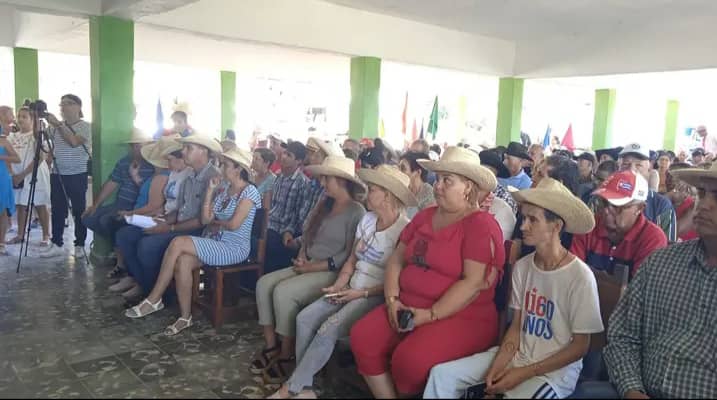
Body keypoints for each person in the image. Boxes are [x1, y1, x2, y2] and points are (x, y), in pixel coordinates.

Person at [424, 178, 602, 399]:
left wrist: (522, 373)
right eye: (524, 217)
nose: (523, 226)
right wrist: (495, 371)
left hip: (553, 375)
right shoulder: (523, 267)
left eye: (532, 220)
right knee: (442, 375)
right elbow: (517, 327)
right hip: (517, 355)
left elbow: (580, 347)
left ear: (556, 226)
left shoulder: (580, 277)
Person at [350, 147, 506, 397]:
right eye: (438, 179)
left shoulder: (481, 225)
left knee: (409, 361)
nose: (438, 186)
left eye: (448, 180)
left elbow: (473, 283)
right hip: (407, 305)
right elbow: (396, 260)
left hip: (462, 316)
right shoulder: (425, 216)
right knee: (362, 337)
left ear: (468, 187)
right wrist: (392, 301)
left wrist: (430, 315)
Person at [268, 165, 414, 399]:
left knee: (329, 328)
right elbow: (352, 259)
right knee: (304, 318)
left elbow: (398, 280)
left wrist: (360, 293)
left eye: (373, 189)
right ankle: (305, 386)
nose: (367, 194)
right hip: (351, 285)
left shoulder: (404, 229)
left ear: (387, 195)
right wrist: (340, 284)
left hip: (376, 294)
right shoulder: (367, 219)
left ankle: (290, 388)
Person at [602, 161, 717, 399]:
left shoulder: (653, 241)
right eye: (702, 194)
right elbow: (622, 335)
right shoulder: (662, 263)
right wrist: (632, 389)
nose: (704, 205)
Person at [252, 156, 366, 385]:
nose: (322, 183)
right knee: (264, 283)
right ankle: (272, 345)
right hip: (309, 263)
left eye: (327, 178)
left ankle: (287, 354)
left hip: (331, 272)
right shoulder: (325, 203)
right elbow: (308, 232)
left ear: (341, 181)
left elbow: (347, 254)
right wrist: (302, 251)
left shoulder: (357, 212)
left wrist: (313, 266)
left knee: (283, 292)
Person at [126, 148, 261, 335]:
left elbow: (234, 225)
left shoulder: (249, 192)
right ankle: (185, 317)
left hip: (233, 247)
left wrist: (216, 223)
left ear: (238, 169)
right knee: (183, 261)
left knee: (178, 243)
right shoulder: (224, 190)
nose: (221, 168)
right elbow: (205, 220)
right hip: (213, 242)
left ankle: (154, 298)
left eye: (226, 165)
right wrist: (210, 191)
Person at [115, 135, 221, 301]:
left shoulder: (214, 178)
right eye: (184, 148)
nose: (184, 152)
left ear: (203, 151)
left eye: (189, 148)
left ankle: (159, 294)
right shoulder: (191, 176)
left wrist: (169, 228)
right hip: (180, 225)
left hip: (199, 232)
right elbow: (179, 211)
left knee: (147, 245)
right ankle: (146, 285)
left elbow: (203, 220)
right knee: (126, 235)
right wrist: (164, 220)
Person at [109, 140, 175, 299]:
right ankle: (134, 278)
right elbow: (149, 196)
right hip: (149, 215)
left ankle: (143, 282)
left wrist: (131, 213)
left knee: (128, 236)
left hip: (153, 217)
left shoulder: (161, 177)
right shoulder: (159, 175)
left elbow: (154, 205)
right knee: (120, 230)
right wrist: (136, 177)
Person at [571, 170, 668, 278]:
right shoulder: (588, 226)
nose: (606, 210)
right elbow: (572, 274)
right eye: (603, 202)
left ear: (640, 208)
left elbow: (639, 289)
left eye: (617, 206)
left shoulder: (653, 238)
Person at [81, 129, 154, 256]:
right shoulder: (125, 161)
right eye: (135, 146)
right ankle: (117, 247)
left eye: (141, 146)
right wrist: (95, 205)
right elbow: (111, 183)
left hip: (138, 207)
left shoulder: (154, 165)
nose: (138, 149)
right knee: (88, 218)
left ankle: (119, 251)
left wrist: (135, 177)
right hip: (120, 203)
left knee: (106, 220)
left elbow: (151, 194)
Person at [40, 94, 92, 259]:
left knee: (78, 210)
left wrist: (58, 124)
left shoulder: (85, 126)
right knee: (58, 210)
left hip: (77, 174)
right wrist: (38, 119)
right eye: (62, 104)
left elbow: (73, 142)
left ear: (78, 107)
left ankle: (80, 244)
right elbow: (40, 139)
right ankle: (57, 243)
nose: (64, 107)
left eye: (69, 104)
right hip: (57, 173)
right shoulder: (54, 128)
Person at [6, 107, 51, 246]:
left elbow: (41, 157)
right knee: (21, 205)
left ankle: (46, 235)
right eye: (19, 116)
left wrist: (23, 174)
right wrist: (13, 174)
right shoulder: (12, 136)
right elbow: (8, 156)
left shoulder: (37, 136)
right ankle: (20, 235)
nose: (20, 119)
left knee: (40, 204)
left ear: (33, 120)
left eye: (24, 117)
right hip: (16, 176)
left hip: (34, 174)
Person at [263, 141, 310, 273]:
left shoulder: (302, 183)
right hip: (270, 225)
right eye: (284, 153)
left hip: (284, 231)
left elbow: (299, 214)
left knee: (266, 243)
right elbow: (272, 206)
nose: (283, 157)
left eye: (289, 155)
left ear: (298, 161)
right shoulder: (279, 177)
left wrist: (288, 231)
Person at [615, 144, 677, 242]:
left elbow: (666, 248)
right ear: (618, 168)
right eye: (625, 164)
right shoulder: (602, 199)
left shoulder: (661, 204)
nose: (631, 169)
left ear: (649, 170)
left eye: (638, 165)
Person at [398, 152, 435, 218]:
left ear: (418, 172)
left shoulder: (429, 196)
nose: (399, 172)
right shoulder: (402, 190)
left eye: (403, 169)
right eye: (399, 168)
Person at [0, 136, 20, 255]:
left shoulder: (3, 141)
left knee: (2, 209)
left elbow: (17, 159)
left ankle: (1, 242)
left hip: (2, 177)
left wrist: (2, 157)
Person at [252, 148, 277, 212]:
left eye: (257, 159)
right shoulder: (252, 175)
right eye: (253, 157)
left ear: (266, 163)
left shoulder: (272, 180)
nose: (253, 161)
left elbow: (266, 209)